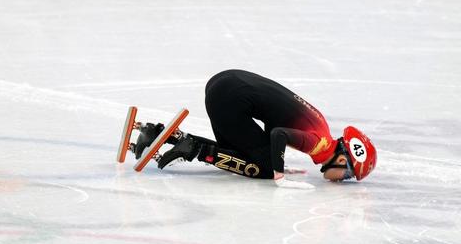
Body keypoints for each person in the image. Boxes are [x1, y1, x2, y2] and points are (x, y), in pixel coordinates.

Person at [133, 69, 377, 189]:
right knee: (262, 169)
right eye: (348, 175)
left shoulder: (320, 127)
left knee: (237, 151)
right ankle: (192, 148)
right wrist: (278, 174)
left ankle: (156, 134)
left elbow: (276, 121)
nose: (342, 181)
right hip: (230, 95)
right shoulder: (318, 143)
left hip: (225, 83)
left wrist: (274, 156)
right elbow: (278, 134)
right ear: (343, 159)